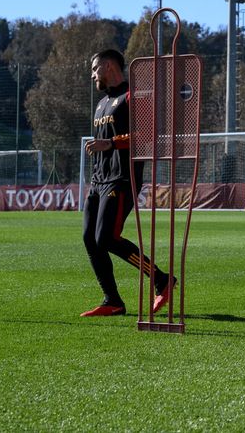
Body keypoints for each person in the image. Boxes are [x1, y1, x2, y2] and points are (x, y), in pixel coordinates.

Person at [80, 49, 173, 317]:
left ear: (109, 66)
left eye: (95, 68)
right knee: (90, 239)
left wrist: (110, 143)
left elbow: (147, 134)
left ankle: (161, 280)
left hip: (122, 180)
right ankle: (113, 301)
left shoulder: (134, 96)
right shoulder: (101, 104)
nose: (92, 74)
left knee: (106, 238)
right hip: (98, 181)